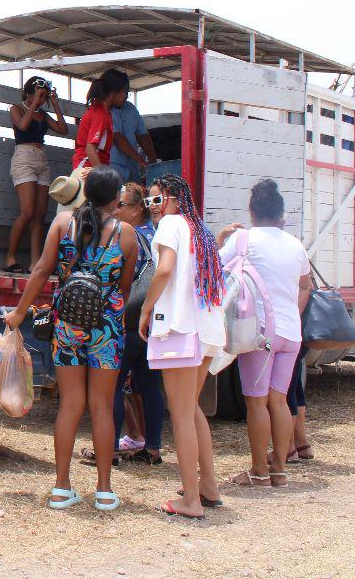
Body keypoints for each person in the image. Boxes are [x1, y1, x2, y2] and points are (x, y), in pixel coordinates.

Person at [6, 166, 137, 511]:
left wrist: (20, 312)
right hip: (107, 328)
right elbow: (124, 287)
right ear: (116, 198)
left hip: (67, 327)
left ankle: (62, 487)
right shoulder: (126, 234)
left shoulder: (63, 223)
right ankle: (105, 490)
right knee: (102, 406)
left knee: (70, 405)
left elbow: (41, 270)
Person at [139, 173, 227, 518]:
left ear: (173, 198)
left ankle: (190, 500)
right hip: (205, 331)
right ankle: (207, 487)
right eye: (148, 202)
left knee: (180, 414)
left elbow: (164, 271)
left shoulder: (172, 224)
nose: (152, 207)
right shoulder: (200, 229)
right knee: (191, 410)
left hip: (179, 328)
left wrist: (146, 308)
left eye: (156, 200)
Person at [216, 179, 313, 487]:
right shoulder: (295, 244)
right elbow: (305, 286)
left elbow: (216, 269)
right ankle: (280, 471)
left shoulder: (244, 239)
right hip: (290, 333)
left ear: (252, 211)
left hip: (260, 334)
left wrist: (221, 239)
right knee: (279, 400)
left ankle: (259, 471)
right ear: (280, 212)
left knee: (257, 403)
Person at [95, 181, 165, 464]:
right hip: (152, 322)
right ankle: (153, 449)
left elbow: (119, 280)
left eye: (121, 204)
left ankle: (109, 449)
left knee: (111, 385)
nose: (116, 208)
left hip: (127, 320)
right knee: (149, 386)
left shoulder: (127, 236)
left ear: (137, 209)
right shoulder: (157, 235)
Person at [3, 76, 68, 274]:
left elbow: (63, 130)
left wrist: (55, 105)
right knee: (28, 212)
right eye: (38, 96)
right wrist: (33, 105)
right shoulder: (17, 107)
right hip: (23, 156)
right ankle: (10, 257)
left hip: (41, 158)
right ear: (29, 93)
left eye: (44, 98)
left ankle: (35, 262)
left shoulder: (43, 113)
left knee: (40, 214)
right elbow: (22, 126)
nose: (40, 101)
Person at [106, 70, 160, 183]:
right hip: (111, 168)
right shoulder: (104, 111)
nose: (125, 96)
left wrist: (153, 162)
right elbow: (118, 139)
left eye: (127, 92)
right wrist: (141, 161)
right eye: (122, 92)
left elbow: (143, 135)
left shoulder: (130, 108)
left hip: (132, 168)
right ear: (112, 92)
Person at [71, 71, 120, 170]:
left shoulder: (104, 112)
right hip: (86, 168)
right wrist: (102, 176)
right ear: (113, 92)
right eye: (124, 91)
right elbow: (90, 149)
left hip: (93, 168)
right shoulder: (100, 114)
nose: (125, 96)